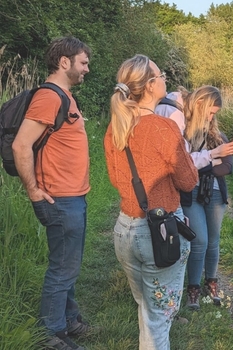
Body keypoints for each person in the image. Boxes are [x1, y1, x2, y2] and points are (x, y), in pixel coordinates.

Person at [103, 54, 198, 349]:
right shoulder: (162, 128)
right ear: (150, 85)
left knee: (146, 307)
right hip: (160, 232)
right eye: (161, 76)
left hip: (124, 230)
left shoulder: (115, 128)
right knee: (158, 319)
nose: (165, 80)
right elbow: (188, 181)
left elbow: (116, 180)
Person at [12, 36, 91, 350]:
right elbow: (21, 145)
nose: (87, 69)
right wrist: (32, 190)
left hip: (74, 196)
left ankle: (69, 320)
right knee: (63, 267)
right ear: (64, 62)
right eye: (83, 62)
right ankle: (51, 335)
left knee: (69, 263)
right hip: (59, 199)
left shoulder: (65, 96)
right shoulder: (49, 97)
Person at [167, 86, 233, 310]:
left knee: (213, 242)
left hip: (215, 193)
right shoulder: (183, 131)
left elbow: (227, 167)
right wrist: (211, 160)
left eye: (214, 113)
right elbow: (182, 167)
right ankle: (194, 288)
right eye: (209, 112)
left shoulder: (218, 136)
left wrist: (201, 164)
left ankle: (212, 282)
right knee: (199, 241)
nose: (211, 117)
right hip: (190, 194)